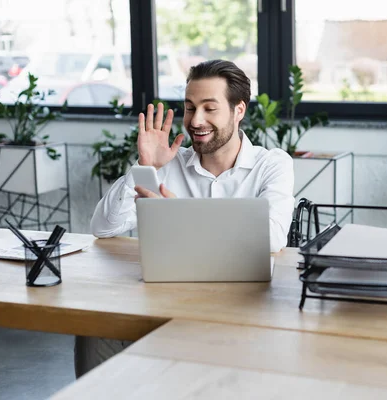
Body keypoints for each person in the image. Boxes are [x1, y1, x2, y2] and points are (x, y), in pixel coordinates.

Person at [75, 60, 295, 378]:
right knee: (94, 330)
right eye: (190, 108)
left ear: (238, 110)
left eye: (210, 108)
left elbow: (272, 237)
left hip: (241, 305)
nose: (196, 120)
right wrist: (145, 167)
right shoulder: (169, 161)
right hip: (163, 301)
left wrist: (181, 216)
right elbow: (103, 227)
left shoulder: (271, 164)